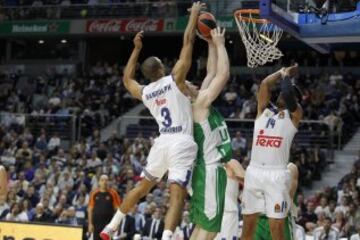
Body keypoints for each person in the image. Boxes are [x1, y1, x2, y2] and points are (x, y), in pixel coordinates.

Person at [100, 2, 203, 240]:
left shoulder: (146, 92)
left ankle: (111, 227)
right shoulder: (176, 79)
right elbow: (188, 41)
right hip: (180, 141)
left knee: (141, 188)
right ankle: (166, 237)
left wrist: (136, 49)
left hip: (162, 142)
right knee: (176, 194)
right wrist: (194, 14)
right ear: (162, 68)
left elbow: (127, 79)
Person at [184, 27, 242, 240]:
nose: (193, 83)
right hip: (210, 171)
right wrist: (219, 43)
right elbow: (223, 74)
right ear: (185, 92)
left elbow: (210, 73)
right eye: (188, 83)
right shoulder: (198, 103)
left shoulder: (199, 101)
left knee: (201, 226)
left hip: (204, 171)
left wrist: (209, 43)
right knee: (209, 230)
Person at [241, 64, 303, 240]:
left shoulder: (295, 115)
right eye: (282, 92)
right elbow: (265, 85)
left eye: (287, 93)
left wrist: (286, 78)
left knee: (276, 229)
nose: (283, 94)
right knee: (248, 227)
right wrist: (281, 72)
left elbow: (290, 95)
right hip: (254, 171)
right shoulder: (264, 112)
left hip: (276, 173)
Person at [88, 175, 121, 240]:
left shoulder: (113, 193)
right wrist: (90, 223)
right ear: (99, 182)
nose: (104, 182)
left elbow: (118, 210)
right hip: (96, 223)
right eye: (102, 180)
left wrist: (117, 224)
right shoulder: (94, 193)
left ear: (109, 182)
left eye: (106, 180)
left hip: (108, 223)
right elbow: (90, 209)